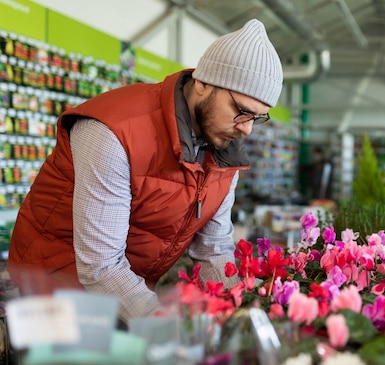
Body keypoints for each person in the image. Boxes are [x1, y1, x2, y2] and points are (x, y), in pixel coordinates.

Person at [7, 19, 283, 323]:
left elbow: (214, 250)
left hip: (124, 285)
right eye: (241, 111)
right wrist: (167, 325)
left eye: (257, 118)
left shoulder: (225, 150)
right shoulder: (113, 131)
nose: (246, 129)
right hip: (54, 284)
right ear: (204, 83)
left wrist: (241, 314)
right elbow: (101, 267)